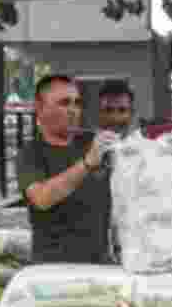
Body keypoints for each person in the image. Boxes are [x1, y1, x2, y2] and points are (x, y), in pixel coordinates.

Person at [17, 74, 118, 265]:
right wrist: (87, 164)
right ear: (39, 108)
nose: (73, 110)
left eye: (77, 103)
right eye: (64, 103)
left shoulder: (93, 142)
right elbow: (41, 198)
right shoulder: (31, 153)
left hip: (101, 264)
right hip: (53, 267)